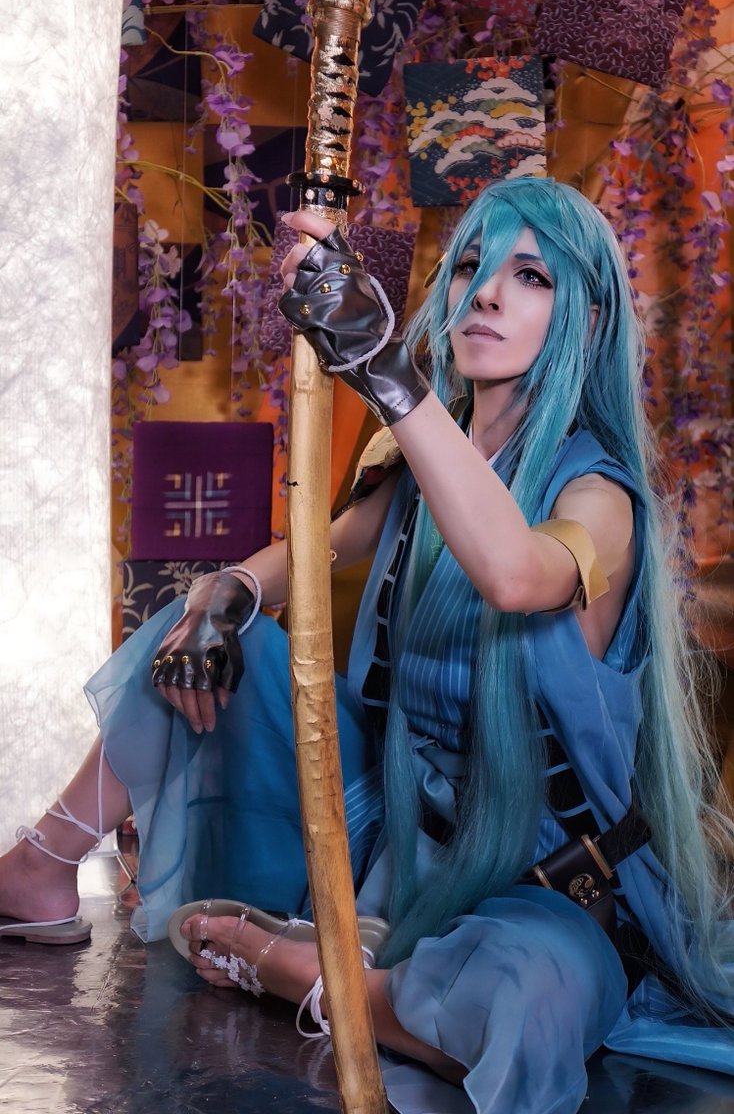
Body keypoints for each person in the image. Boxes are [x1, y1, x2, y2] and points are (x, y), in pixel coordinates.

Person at [1, 176, 732, 1114]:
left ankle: (300, 969)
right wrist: (226, 593)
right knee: (206, 631)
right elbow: (315, 551)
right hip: (391, 837)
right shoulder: (417, 464)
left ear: (586, 320)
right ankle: (42, 869)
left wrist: (387, 372)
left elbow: (516, 573)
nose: (487, 293)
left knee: (525, 1002)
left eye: (532, 276)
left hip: (536, 884)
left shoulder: (600, 499)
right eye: (470, 266)